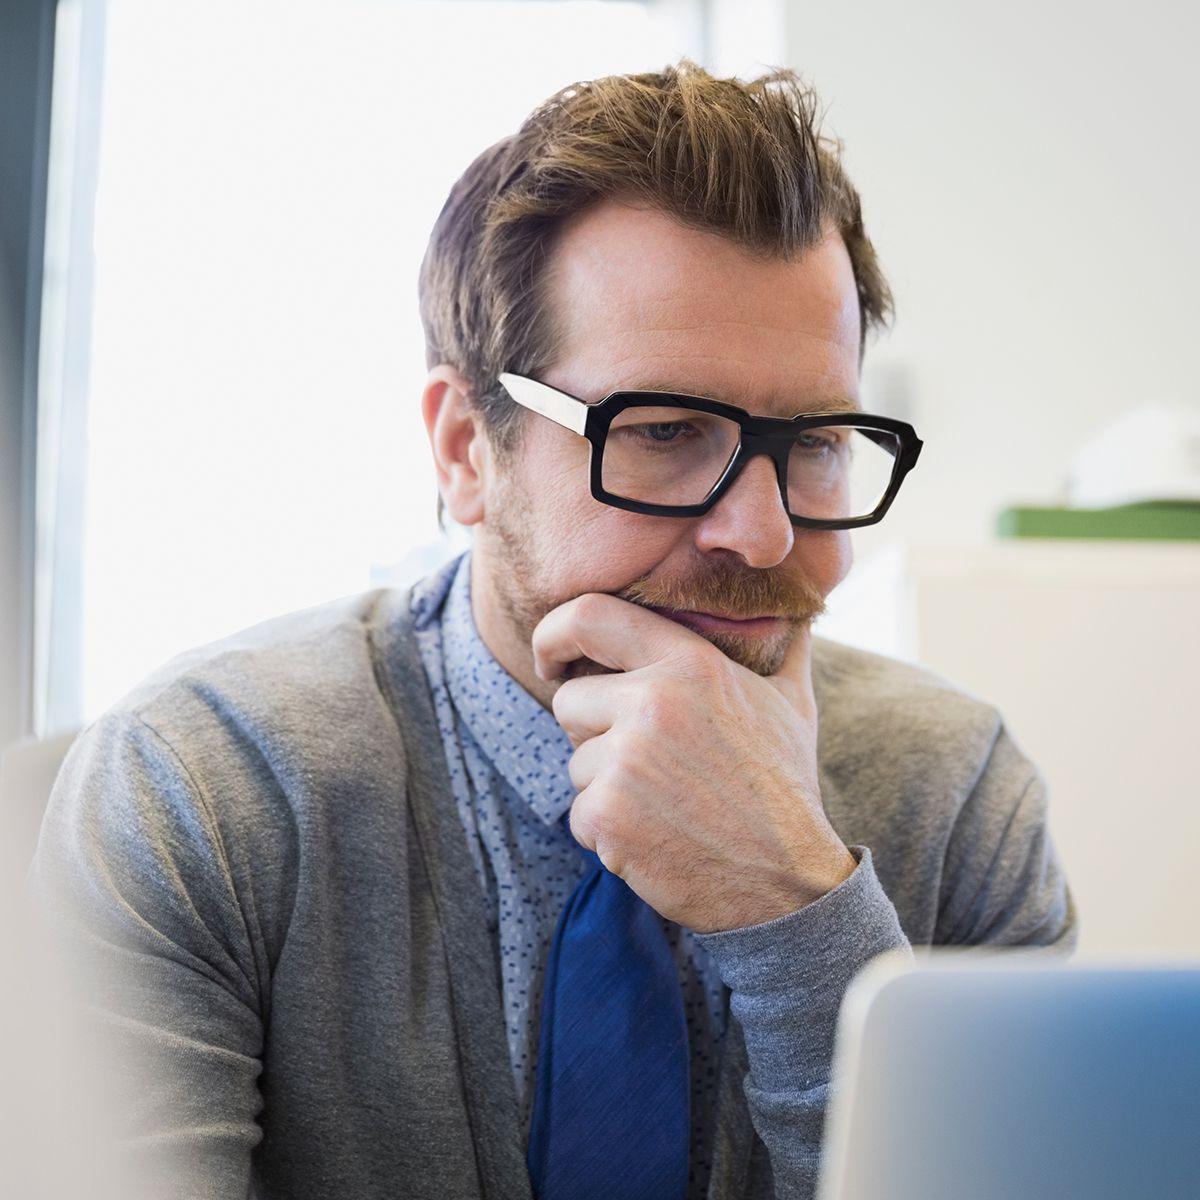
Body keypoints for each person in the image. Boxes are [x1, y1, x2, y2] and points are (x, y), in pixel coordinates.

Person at [28, 58, 1076, 1200]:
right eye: (668, 431)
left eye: (817, 442)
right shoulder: (206, 793)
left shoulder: (961, 797)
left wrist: (796, 909)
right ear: (466, 451)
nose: (763, 535)